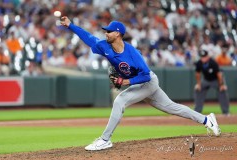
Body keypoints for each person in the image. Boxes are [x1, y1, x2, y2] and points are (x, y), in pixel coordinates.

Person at [60, 17, 221, 151]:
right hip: (141, 85)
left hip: (148, 82)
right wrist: (70, 25)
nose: (106, 33)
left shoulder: (132, 53)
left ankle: (105, 139)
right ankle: (207, 120)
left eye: (109, 31)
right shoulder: (105, 46)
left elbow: (145, 75)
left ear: (118, 34)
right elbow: (88, 38)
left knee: (120, 101)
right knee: (173, 107)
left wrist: (126, 81)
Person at [194, 50, 229, 115]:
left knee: (222, 91)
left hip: (216, 80)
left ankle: (226, 112)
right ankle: (197, 112)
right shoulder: (199, 63)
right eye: (202, 57)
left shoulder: (213, 62)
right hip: (206, 80)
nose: (203, 58)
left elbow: (219, 75)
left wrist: (222, 85)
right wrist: (198, 84)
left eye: (204, 57)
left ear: (208, 56)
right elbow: (197, 74)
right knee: (198, 90)